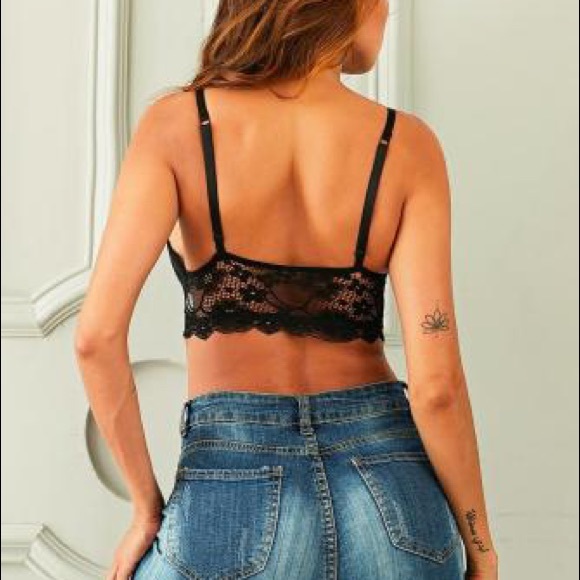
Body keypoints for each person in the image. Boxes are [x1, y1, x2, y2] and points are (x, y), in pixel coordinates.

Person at [74, 1, 499, 578]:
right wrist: (481, 547)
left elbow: (96, 338)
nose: (388, 12)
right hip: (393, 494)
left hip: (231, 485)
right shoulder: (407, 144)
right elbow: (438, 388)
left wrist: (145, 510)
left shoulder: (177, 126)